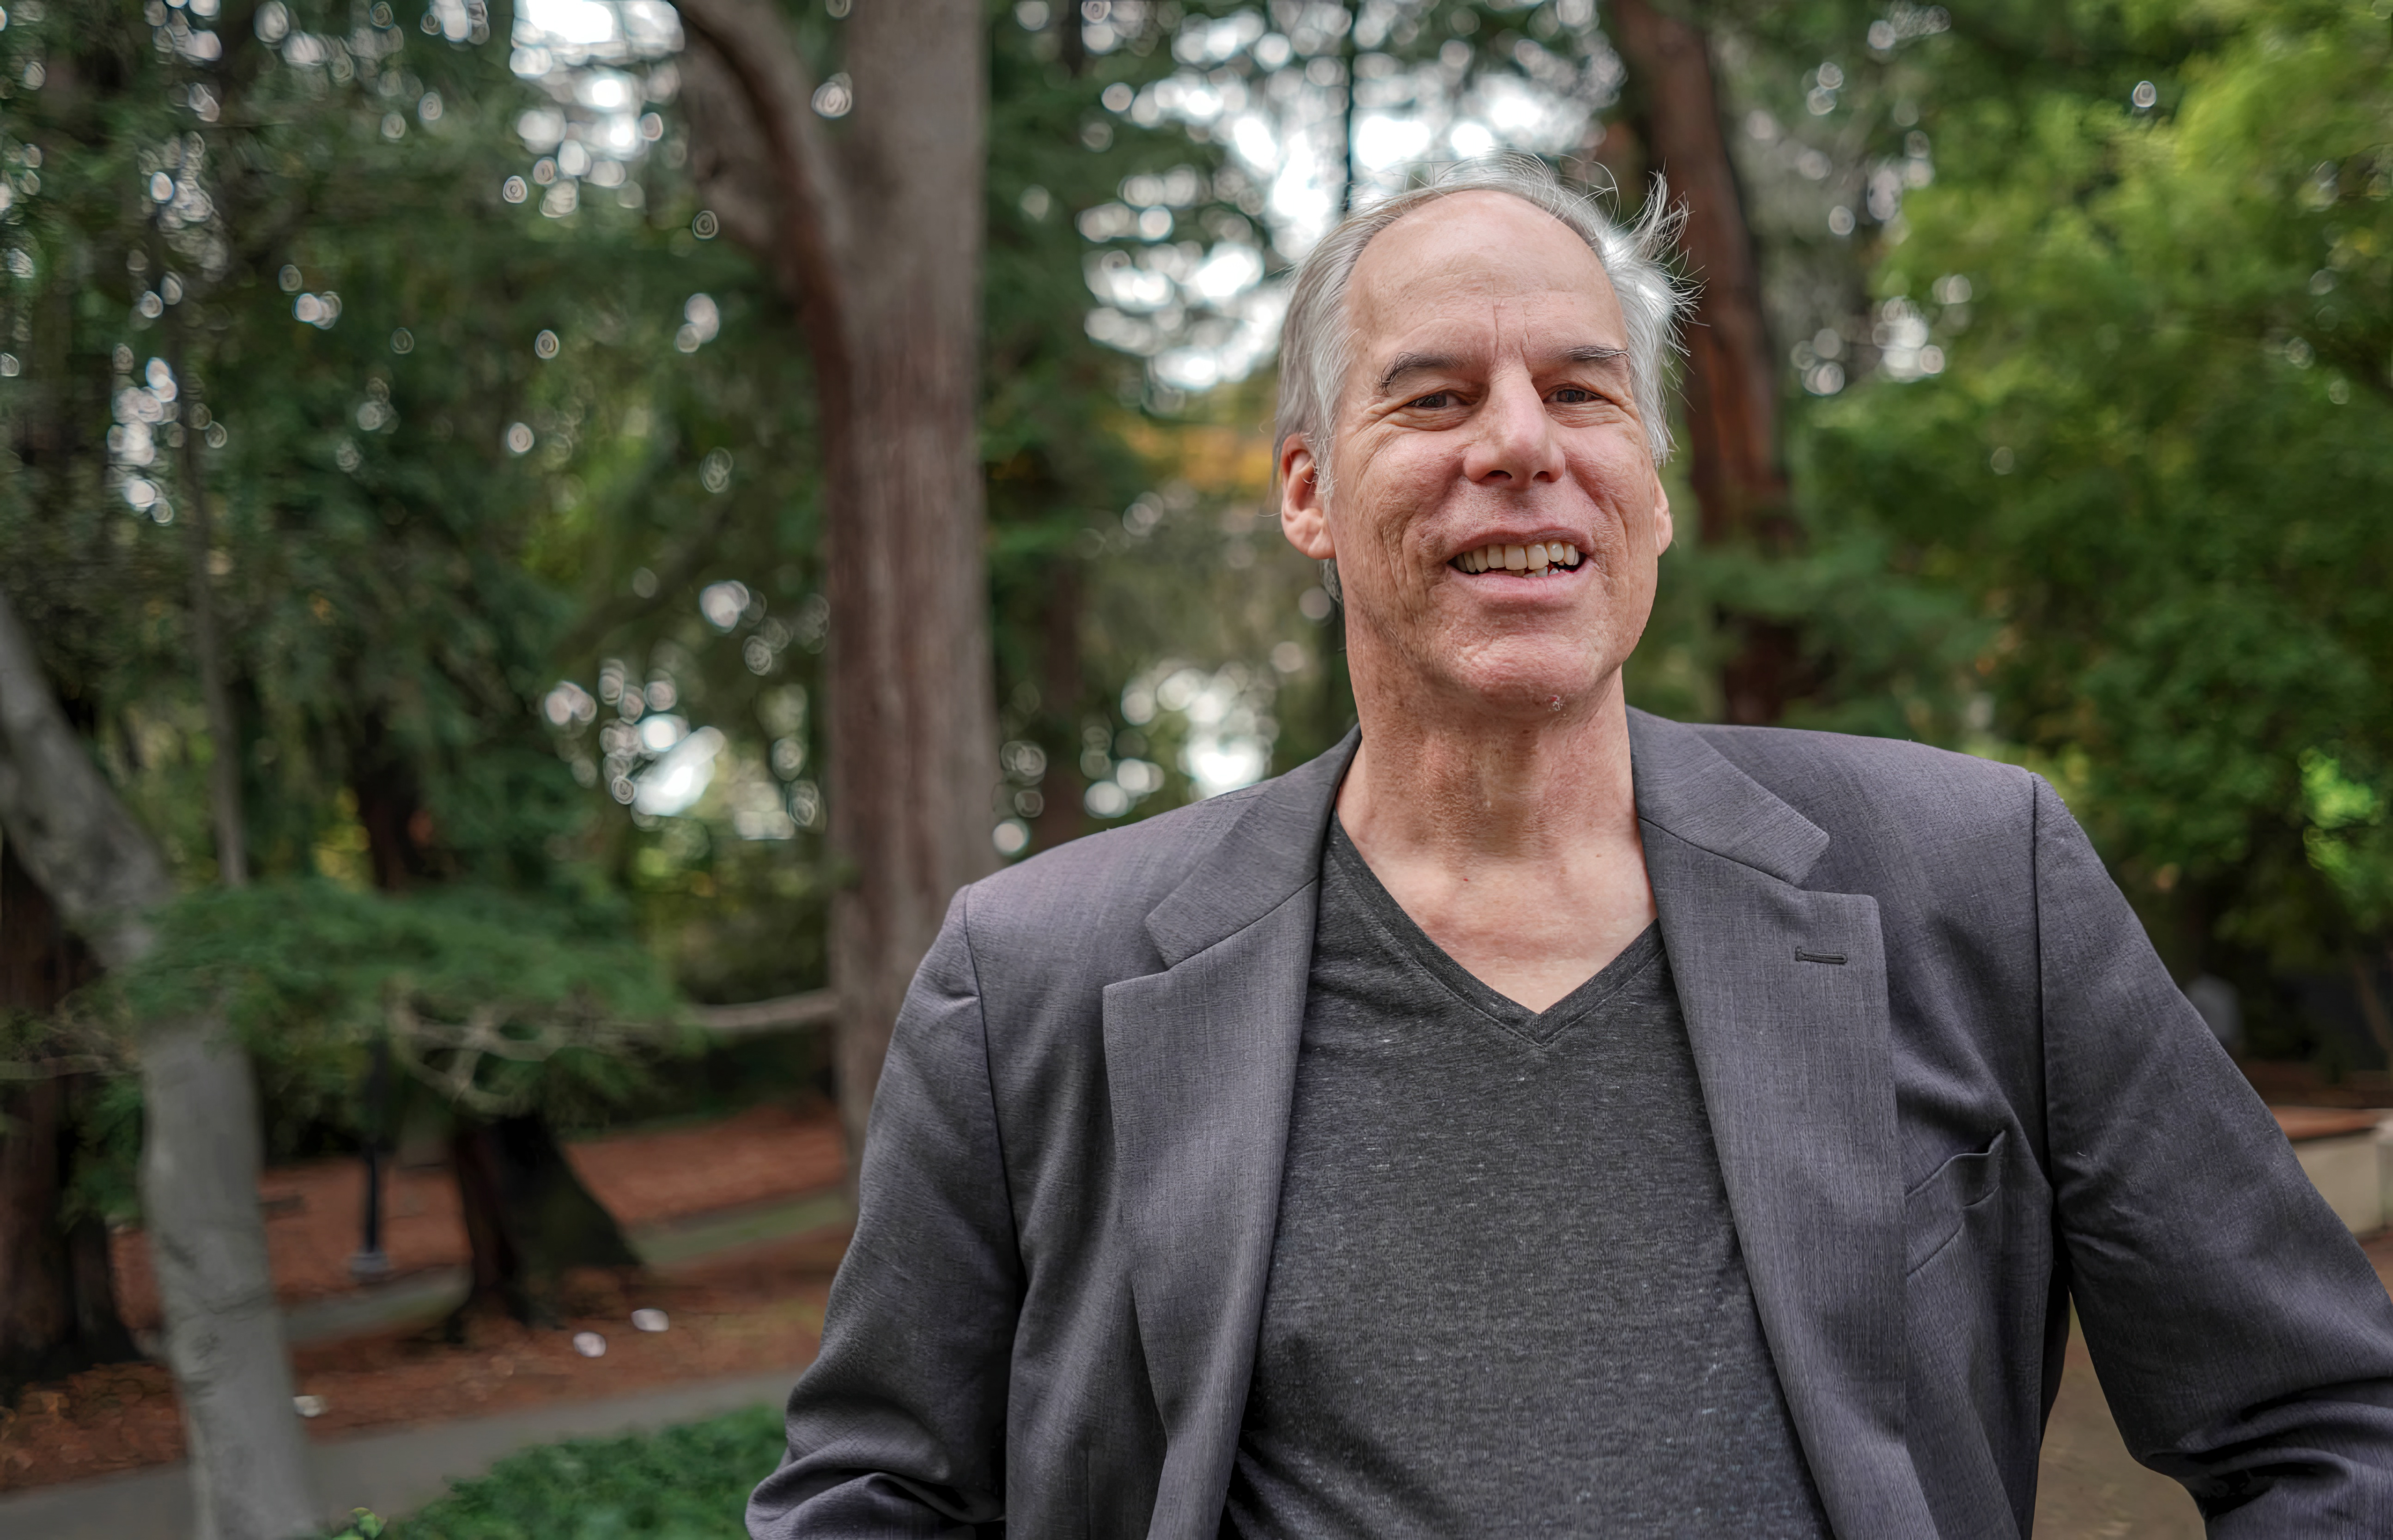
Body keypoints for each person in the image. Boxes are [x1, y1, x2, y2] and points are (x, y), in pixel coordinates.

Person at [748, 157, 2393, 1538]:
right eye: (1434, 396)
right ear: (1309, 493)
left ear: (1653, 492)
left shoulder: (1975, 880)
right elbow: (873, 1499)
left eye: (1581, 389)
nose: (1520, 442)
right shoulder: (1035, 974)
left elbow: (2321, 1422)